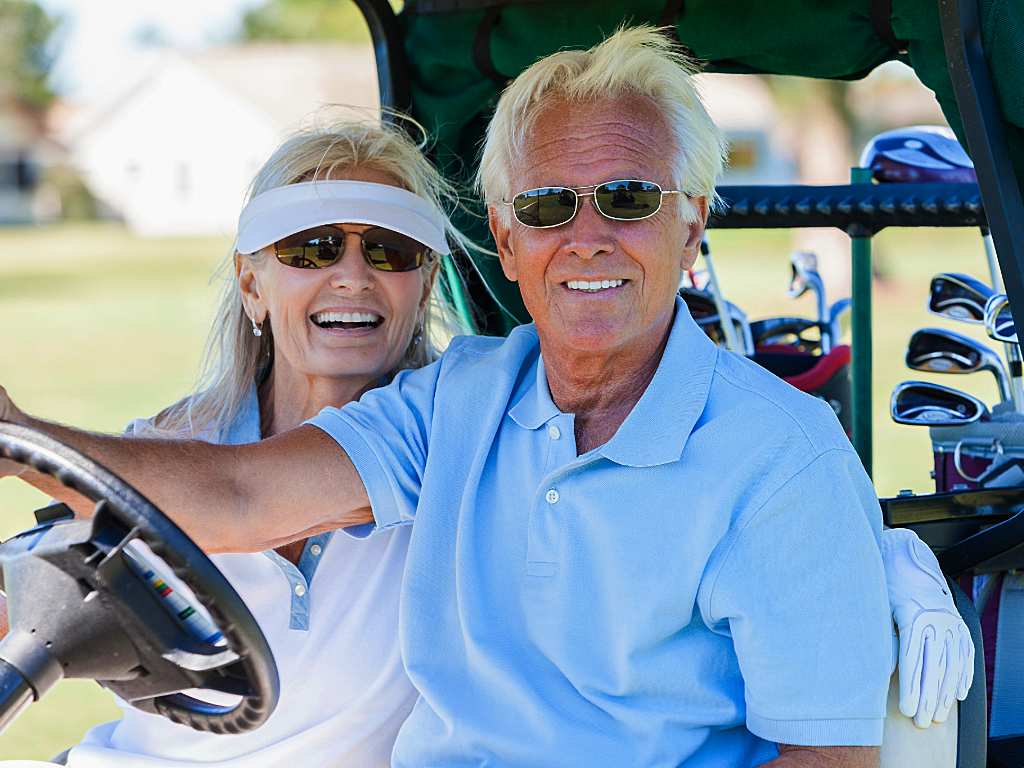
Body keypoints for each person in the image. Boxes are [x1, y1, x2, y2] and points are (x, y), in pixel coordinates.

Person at [0, 27, 973, 768]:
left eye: (629, 199)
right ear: (507, 243)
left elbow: (828, 755)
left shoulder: (779, 455)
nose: (587, 237)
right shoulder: (460, 399)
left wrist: (865, 553)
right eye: (549, 207)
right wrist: (15, 434)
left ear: (692, 221)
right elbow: (244, 500)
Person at [1, 118, 470, 768]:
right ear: (252, 286)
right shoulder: (170, 444)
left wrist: (15, 438)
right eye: (313, 248)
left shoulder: (456, 433)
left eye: (391, 251)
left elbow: (238, 497)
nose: (354, 276)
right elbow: (30, 596)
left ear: (422, 291)